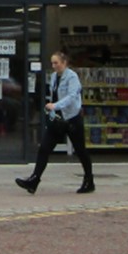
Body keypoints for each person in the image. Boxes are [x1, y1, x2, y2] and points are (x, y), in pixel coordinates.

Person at [16, 50, 94, 195]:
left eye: (56, 63)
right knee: (44, 148)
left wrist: (55, 105)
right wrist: (51, 111)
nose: (54, 66)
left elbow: (71, 97)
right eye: (52, 63)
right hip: (58, 120)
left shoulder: (72, 77)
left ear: (64, 63)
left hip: (72, 119)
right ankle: (34, 180)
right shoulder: (53, 77)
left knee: (81, 151)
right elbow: (53, 94)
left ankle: (89, 180)